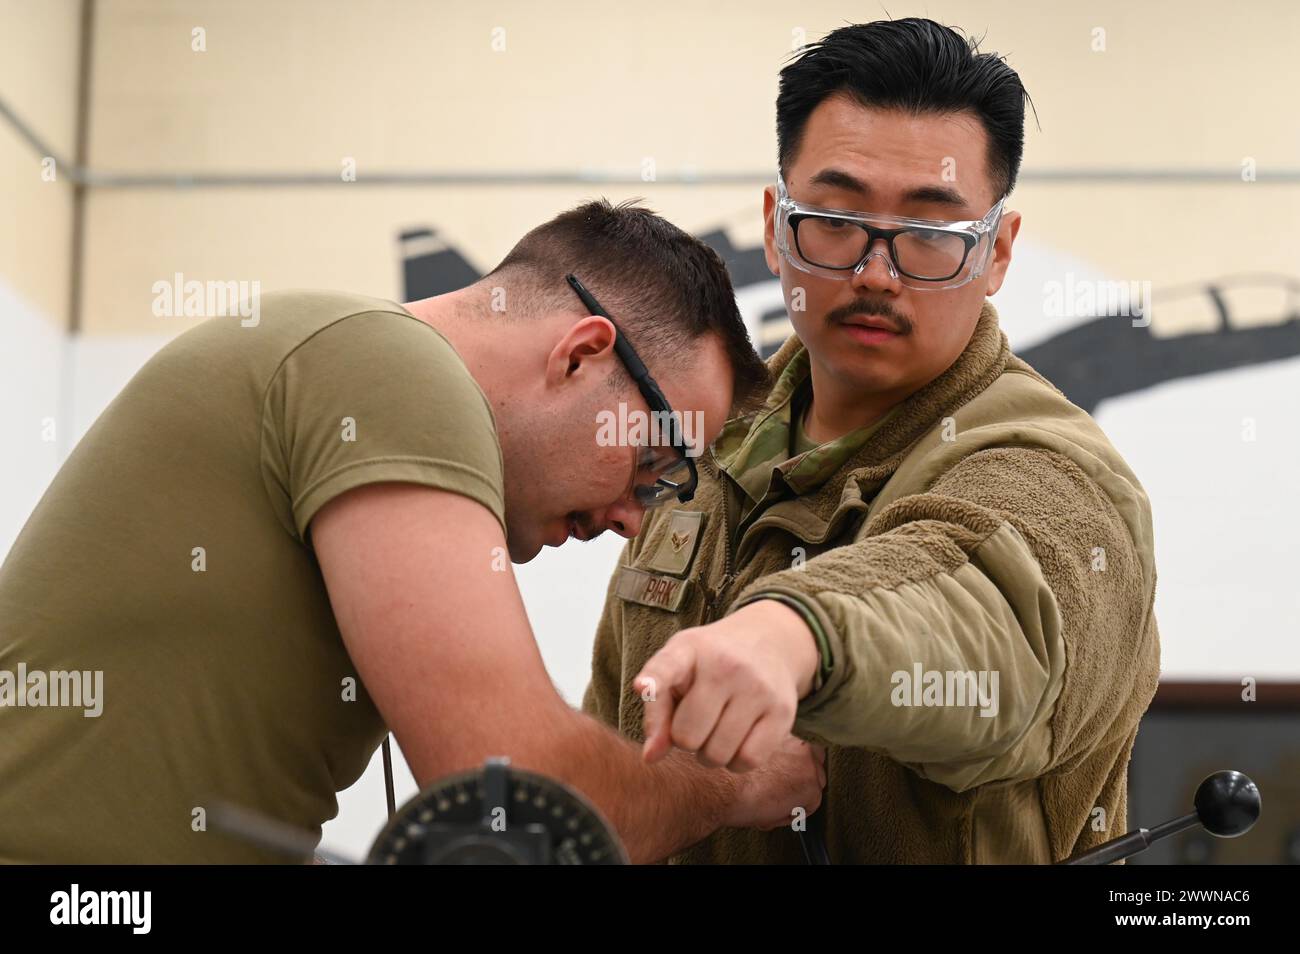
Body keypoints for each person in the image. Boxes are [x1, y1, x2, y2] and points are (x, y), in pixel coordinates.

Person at [0, 199, 825, 863]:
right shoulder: (390, 370)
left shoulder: (348, 362)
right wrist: (730, 783)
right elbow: (515, 803)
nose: (635, 520)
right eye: (653, 462)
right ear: (580, 354)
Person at [584, 19, 1161, 863]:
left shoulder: (1058, 477)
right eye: (837, 220)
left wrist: (794, 635)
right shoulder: (703, 454)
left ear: (997, 252)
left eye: (931, 234)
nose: (875, 274)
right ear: (778, 225)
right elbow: (610, 729)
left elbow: (989, 614)